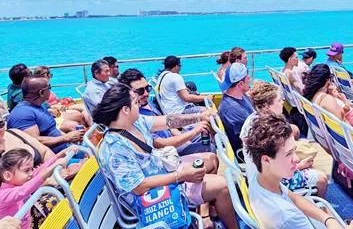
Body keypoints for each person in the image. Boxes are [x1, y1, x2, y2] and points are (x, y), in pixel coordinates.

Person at [93, 83, 238, 229]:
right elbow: (139, 187)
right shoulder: (115, 149)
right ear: (125, 110)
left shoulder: (135, 123)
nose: (139, 104)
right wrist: (180, 176)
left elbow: (168, 121)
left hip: (163, 174)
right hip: (152, 197)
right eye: (135, 102)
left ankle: (202, 215)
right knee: (222, 186)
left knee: (210, 160)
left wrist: (199, 116)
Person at [244, 114, 353, 229]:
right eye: (288, 154)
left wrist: (328, 219)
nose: (296, 159)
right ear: (266, 160)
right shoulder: (287, 217)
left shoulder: (261, 179)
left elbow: (294, 198)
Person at [241, 81, 329, 198]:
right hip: (272, 184)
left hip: (256, 178)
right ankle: (313, 209)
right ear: (266, 106)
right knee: (322, 179)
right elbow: (274, 169)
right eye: (279, 100)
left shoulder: (252, 121)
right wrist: (300, 166)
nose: (283, 102)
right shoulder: (270, 130)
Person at [119, 68, 216, 157]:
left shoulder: (147, 104)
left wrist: (196, 122)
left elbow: (168, 122)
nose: (146, 94)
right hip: (166, 151)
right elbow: (160, 144)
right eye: (140, 91)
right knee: (209, 149)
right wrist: (191, 134)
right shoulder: (135, 117)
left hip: (173, 137)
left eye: (147, 88)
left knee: (205, 132)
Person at [0, 146, 73, 229]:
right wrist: (53, 167)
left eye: (31, 169)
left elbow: (37, 172)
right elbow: (25, 190)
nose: (30, 173)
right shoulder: (3, 195)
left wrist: (62, 154)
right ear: (8, 175)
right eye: (27, 170)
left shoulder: (19, 181)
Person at [7, 77, 84, 153]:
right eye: (49, 87)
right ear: (41, 92)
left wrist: (71, 140)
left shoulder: (38, 105)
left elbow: (52, 130)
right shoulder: (23, 114)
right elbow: (33, 142)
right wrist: (66, 138)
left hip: (66, 149)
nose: (50, 91)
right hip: (55, 159)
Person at [33, 66, 90, 131]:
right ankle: (88, 132)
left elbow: (53, 100)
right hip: (56, 110)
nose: (50, 76)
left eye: (50, 74)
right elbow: (44, 106)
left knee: (85, 108)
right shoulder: (40, 90)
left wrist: (63, 100)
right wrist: (57, 106)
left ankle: (92, 128)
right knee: (79, 115)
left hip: (61, 106)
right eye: (48, 74)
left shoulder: (47, 86)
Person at [218, 63, 254, 153]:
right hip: (249, 151)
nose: (249, 79)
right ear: (241, 83)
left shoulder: (240, 96)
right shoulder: (233, 110)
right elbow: (251, 138)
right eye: (247, 77)